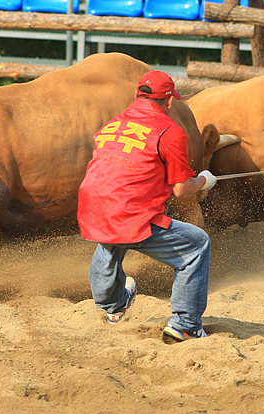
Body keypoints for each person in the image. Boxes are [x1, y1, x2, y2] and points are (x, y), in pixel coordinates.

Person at [77, 70, 217, 343]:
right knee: (197, 245)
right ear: (168, 103)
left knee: (111, 237)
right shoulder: (171, 132)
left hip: (90, 206)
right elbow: (181, 190)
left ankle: (113, 306)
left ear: (136, 95)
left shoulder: (112, 124)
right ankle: (186, 325)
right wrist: (203, 180)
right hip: (128, 212)